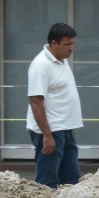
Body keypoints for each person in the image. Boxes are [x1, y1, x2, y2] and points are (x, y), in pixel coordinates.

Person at [27, 22, 83, 188]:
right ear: (54, 43)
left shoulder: (61, 60)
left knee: (71, 180)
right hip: (51, 130)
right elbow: (35, 101)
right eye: (67, 44)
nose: (72, 48)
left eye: (73, 43)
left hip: (65, 128)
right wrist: (47, 136)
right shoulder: (41, 65)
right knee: (47, 182)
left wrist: (69, 127)